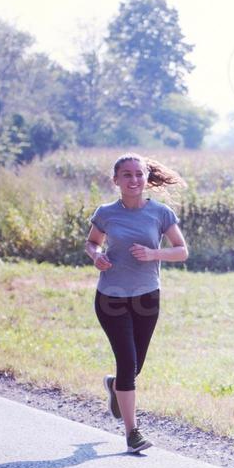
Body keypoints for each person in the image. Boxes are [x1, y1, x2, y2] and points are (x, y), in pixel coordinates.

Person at [84, 154, 189, 452]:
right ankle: (133, 433)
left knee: (134, 366)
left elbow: (181, 251)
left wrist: (154, 254)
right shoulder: (105, 213)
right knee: (128, 363)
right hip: (111, 299)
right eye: (126, 175)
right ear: (116, 180)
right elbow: (92, 242)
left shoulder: (160, 213)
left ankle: (115, 386)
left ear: (146, 178)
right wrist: (97, 256)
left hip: (146, 297)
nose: (133, 180)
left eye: (138, 174)